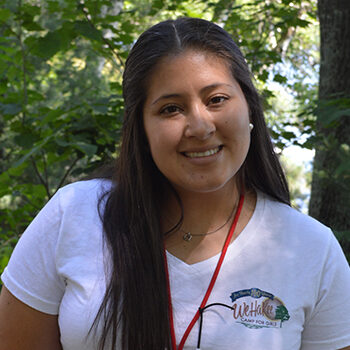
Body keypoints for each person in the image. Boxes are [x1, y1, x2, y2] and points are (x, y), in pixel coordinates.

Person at [0, 17, 350, 350]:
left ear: (250, 109)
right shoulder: (72, 216)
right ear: (141, 129)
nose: (200, 127)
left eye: (216, 99)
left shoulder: (312, 251)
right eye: (170, 109)